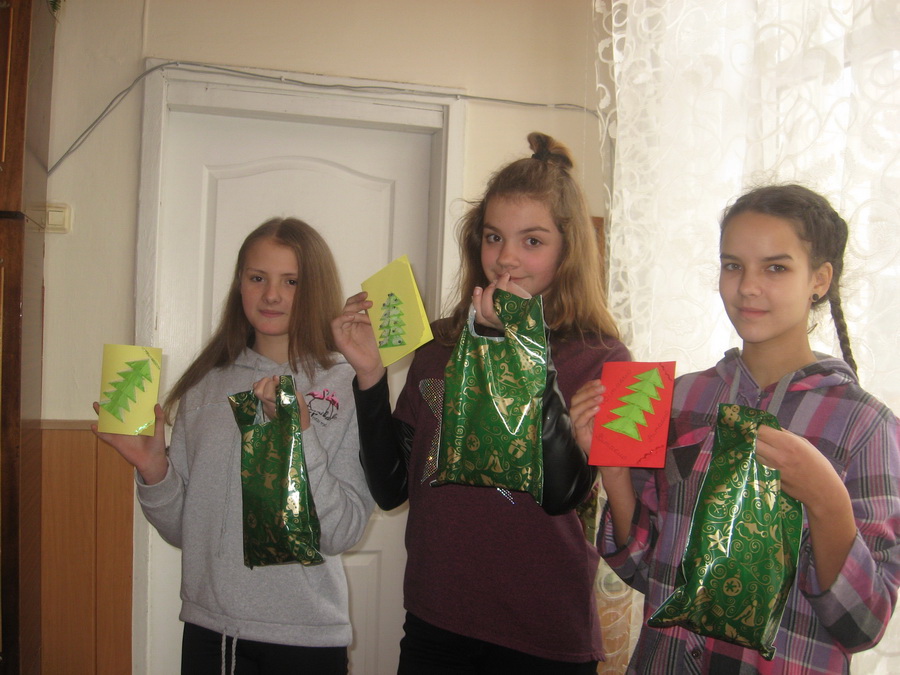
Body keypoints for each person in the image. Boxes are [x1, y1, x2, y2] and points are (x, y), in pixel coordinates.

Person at [332, 132, 630, 673]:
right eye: (494, 237)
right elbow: (391, 489)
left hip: (545, 635)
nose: (506, 258)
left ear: (567, 249)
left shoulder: (600, 357)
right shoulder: (439, 346)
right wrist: (371, 377)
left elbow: (563, 494)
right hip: (436, 620)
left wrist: (527, 347)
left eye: (532, 241)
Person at [573, 184, 900, 673]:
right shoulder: (680, 399)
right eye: (733, 265)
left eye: (776, 268)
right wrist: (614, 470)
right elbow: (643, 569)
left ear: (819, 279)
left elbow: (863, 623)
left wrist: (827, 499)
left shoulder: (866, 425)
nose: (748, 286)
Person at [93, 217, 374, 674]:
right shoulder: (204, 387)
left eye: (291, 281)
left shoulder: (345, 385)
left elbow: (341, 532)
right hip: (213, 630)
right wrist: (154, 469)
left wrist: (299, 436)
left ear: (315, 288)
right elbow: (185, 531)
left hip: (308, 634)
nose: (272, 295)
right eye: (257, 278)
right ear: (239, 283)